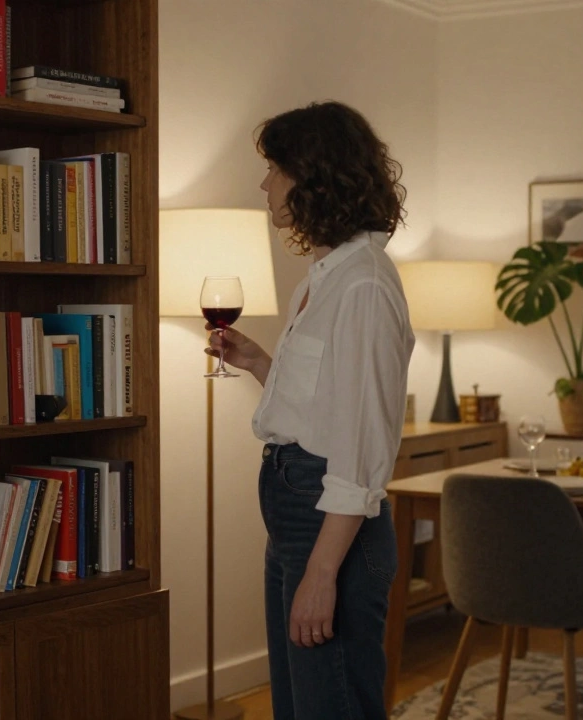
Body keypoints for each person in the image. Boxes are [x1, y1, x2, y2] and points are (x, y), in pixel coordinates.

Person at [207, 101, 415, 720]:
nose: (265, 184)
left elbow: (361, 443)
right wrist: (261, 364)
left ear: (314, 177)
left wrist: (322, 573)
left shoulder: (364, 285)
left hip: (327, 521)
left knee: (332, 705)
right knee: (302, 705)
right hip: (296, 515)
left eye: (275, 169)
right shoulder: (326, 275)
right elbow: (328, 404)